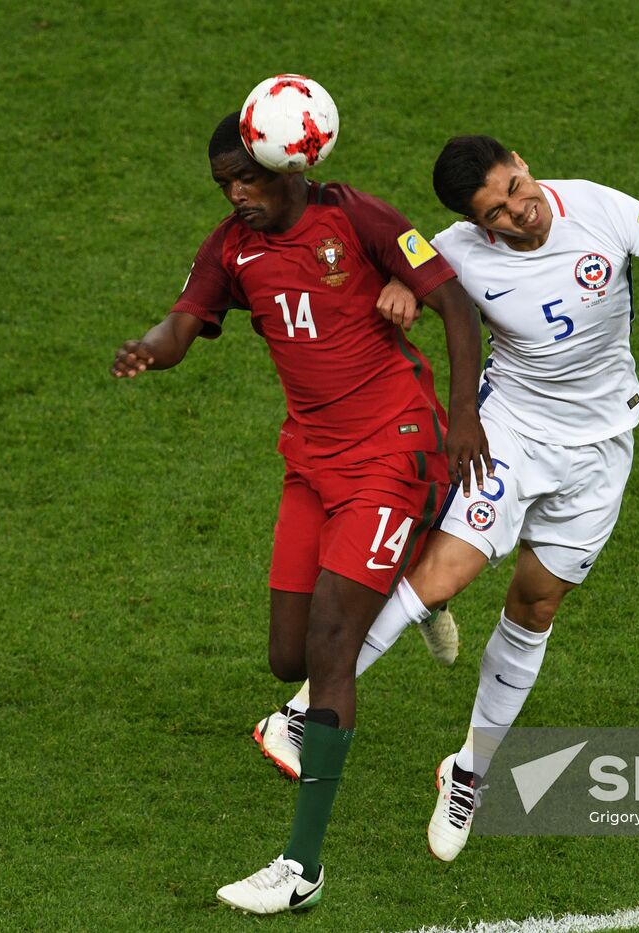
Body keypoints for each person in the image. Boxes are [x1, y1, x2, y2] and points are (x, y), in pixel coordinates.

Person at [257, 134, 639, 862]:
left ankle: (468, 769)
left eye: (519, 190)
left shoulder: (598, 207)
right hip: (511, 432)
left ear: (524, 163)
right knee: (443, 576)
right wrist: (400, 289)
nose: (523, 213)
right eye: (500, 212)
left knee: (535, 605)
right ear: (477, 223)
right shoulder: (456, 248)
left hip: (602, 449)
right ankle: (300, 712)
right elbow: (390, 275)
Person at [110, 113, 490, 914]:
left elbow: (456, 305)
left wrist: (464, 415)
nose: (237, 194)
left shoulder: (355, 217)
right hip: (311, 463)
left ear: (291, 161)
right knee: (288, 658)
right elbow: (183, 323)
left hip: (393, 448)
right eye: (224, 184)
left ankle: (301, 865)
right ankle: (422, 576)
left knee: (329, 646)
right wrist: (151, 347)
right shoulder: (230, 249)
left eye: (247, 178)